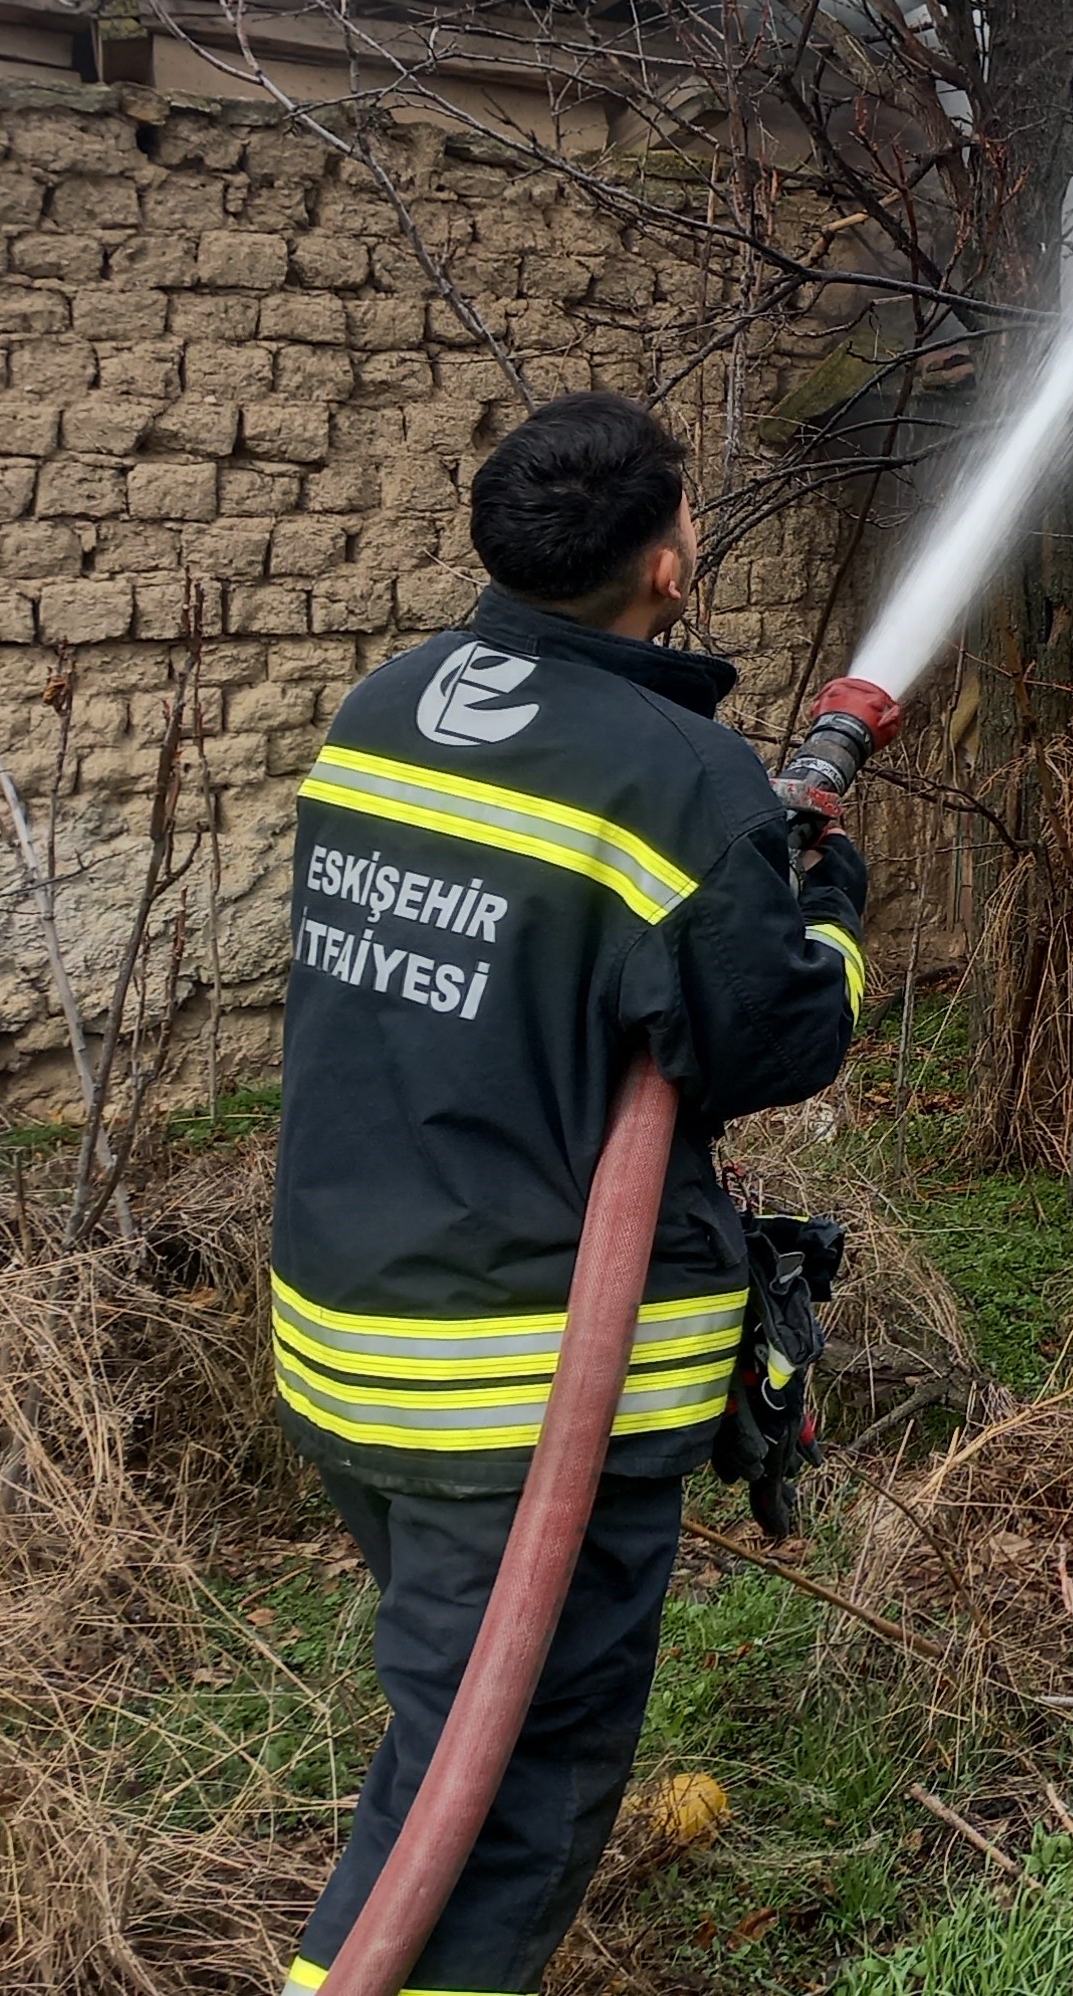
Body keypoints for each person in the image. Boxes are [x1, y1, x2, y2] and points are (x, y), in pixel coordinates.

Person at [271, 392, 867, 1995]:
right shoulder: (675, 775)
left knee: (461, 1722)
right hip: (518, 1395)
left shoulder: (387, 703)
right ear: (667, 566)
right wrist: (829, 906)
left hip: (348, 1337)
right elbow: (772, 1039)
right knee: (496, 1794)